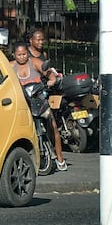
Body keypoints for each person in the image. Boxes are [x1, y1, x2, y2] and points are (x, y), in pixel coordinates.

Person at [13, 27, 66, 170]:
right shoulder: (11, 66)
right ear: (14, 55)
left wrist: (51, 81)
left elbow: (50, 75)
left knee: (53, 126)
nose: (22, 57)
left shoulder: (35, 62)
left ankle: (60, 159)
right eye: (19, 55)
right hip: (24, 103)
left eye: (24, 54)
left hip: (39, 100)